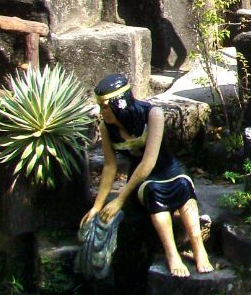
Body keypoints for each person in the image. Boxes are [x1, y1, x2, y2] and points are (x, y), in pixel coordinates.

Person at [81, 74, 213, 278]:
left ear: (120, 102)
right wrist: (97, 206)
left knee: (183, 189)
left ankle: (199, 248)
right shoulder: (106, 128)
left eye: (106, 106)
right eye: (100, 106)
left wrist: (119, 199)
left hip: (170, 169)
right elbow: (109, 166)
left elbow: (149, 161)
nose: (102, 111)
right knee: (154, 193)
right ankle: (172, 253)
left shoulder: (152, 114)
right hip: (144, 179)